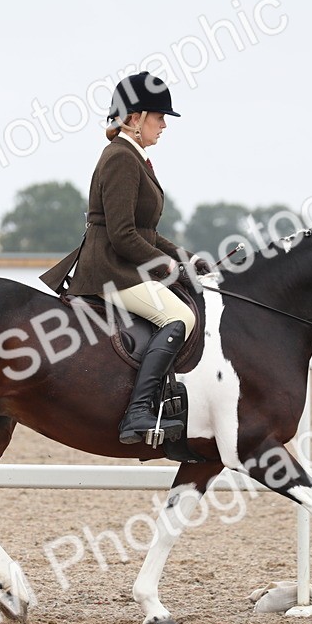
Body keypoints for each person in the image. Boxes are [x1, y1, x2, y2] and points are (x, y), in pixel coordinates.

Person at [41, 72, 209, 445]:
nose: (164, 124)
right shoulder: (120, 158)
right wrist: (165, 265)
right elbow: (122, 235)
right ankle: (138, 411)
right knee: (180, 315)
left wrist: (188, 258)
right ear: (135, 118)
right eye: (158, 116)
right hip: (110, 271)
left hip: (122, 264)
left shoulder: (135, 157)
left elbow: (145, 231)